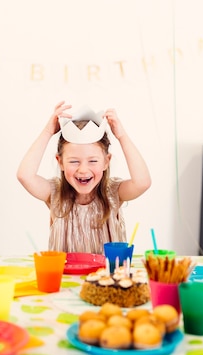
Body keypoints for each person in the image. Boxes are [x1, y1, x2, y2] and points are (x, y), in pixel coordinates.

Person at [17, 101, 151, 254]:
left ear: (106, 161)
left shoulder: (113, 193)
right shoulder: (55, 193)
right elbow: (24, 176)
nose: (83, 169)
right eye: (74, 161)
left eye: (93, 161)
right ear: (60, 162)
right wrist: (48, 131)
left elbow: (142, 183)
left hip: (108, 276)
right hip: (66, 277)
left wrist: (122, 136)